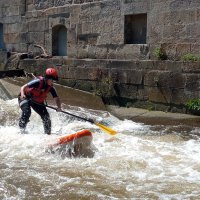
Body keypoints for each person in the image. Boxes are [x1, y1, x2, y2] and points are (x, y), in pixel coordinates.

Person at [18, 67, 62, 134]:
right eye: (52, 80)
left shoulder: (51, 88)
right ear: (48, 78)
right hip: (25, 97)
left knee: (46, 117)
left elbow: (56, 98)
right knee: (27, 112)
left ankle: (47, 134)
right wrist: (22, 94)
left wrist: (59, 107)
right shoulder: (38, 81)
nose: (53, 82)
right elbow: (23, 87)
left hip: (36, 102)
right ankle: (21, 131)